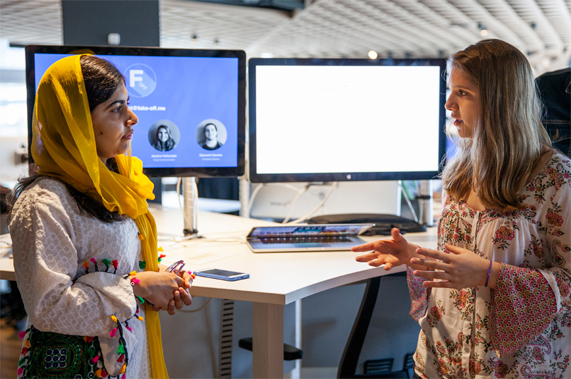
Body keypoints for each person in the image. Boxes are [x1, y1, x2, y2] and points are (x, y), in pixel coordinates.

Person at [353, 39, 570, 379]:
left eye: (463, 93)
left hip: (513, 367)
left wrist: (491, 274)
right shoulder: (460, 170)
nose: (449, 104)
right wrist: (415, 256)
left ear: (501, 102)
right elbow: (461, 263)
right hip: (444, 358)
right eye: (451, 91)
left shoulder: (557, 180)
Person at [8, 55, 193, 379]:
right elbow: (49, 308)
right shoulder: (44, 203)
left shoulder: (113, 182)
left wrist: (161, 278)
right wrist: (138, 287)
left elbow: (116, 264)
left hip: (122, 358)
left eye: (128, 104)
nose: (133, 118)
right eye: (115, 108)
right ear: (76, 121)